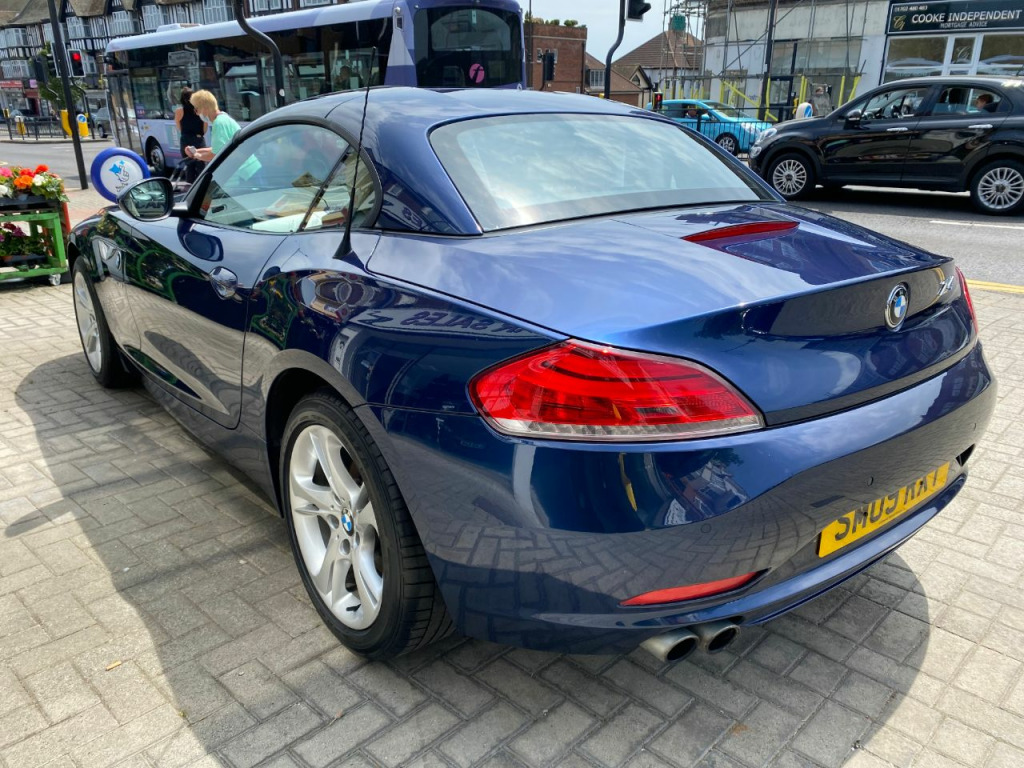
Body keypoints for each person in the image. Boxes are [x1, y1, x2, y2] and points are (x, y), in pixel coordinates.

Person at [185, 90, 241, 163]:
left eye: (196, 109)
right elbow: (218, 148)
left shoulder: (218, 123)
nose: (197, 113)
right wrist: (196, 151)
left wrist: (197, 155)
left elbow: (215, 154)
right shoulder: (224, 118)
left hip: (242, 168)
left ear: (204, 108)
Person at [174, 87, 205, 182]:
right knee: (201, 166)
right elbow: (205, 127)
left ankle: (190, 187)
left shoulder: (179, 111)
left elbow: (179, 127)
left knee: (189, 166)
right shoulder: (199, 110)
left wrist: (186, 133)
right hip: (198, 139)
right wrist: (199, 134)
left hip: (185, 140)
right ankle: (202, 186)